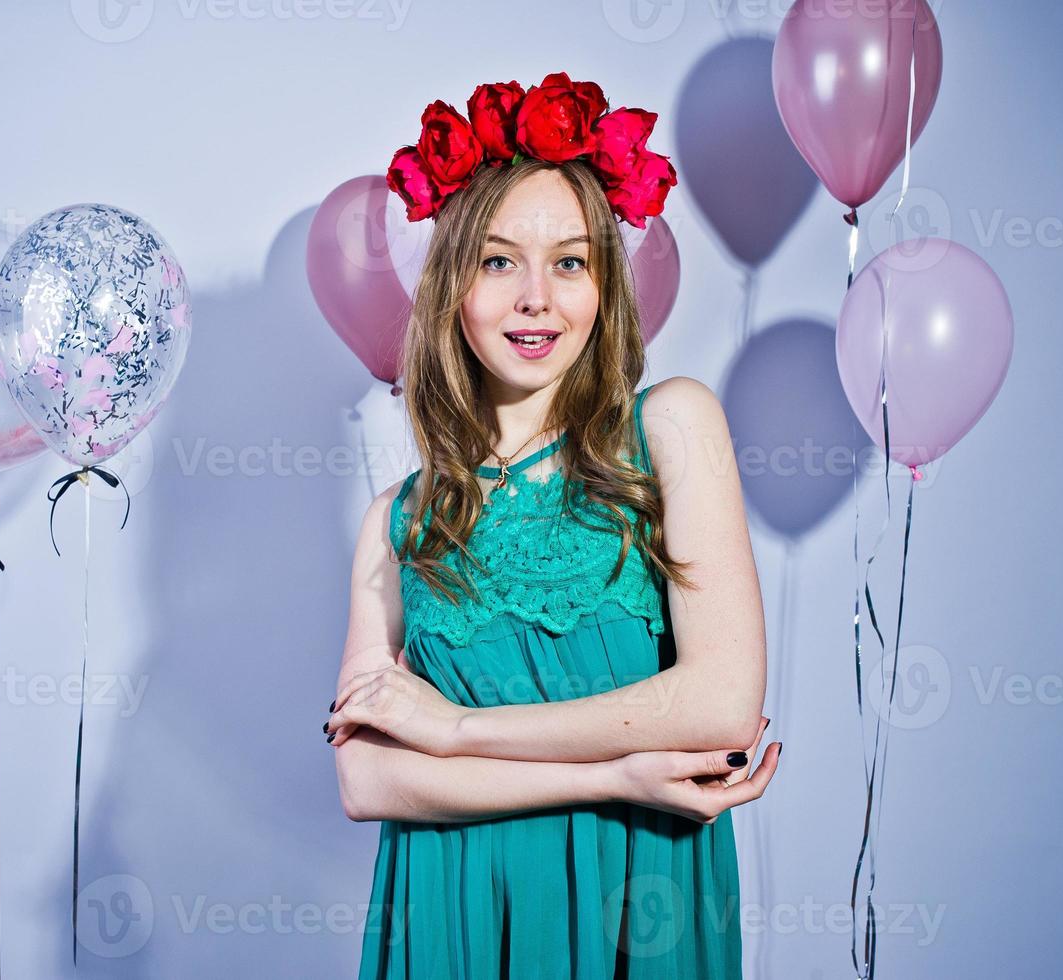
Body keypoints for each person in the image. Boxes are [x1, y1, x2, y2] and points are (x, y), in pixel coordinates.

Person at [326, 73, 780, 978]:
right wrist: (613, 773)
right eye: (499, 261)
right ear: (452, 287)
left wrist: (453, 733)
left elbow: (719, 705)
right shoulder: (398, 521)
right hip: (450, 909)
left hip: (637, 895)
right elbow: (367, 779)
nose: (537, 297)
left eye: (569, 261)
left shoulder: (672, 427)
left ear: (603, 288)